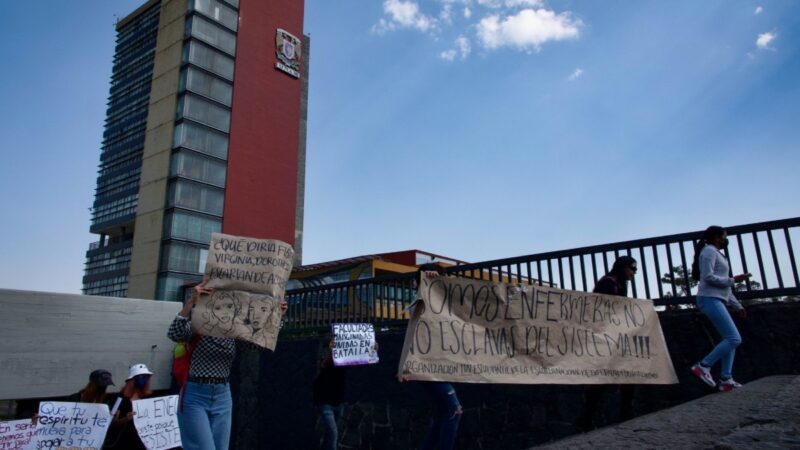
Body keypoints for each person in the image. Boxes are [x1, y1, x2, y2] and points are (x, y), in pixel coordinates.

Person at [168, 279, 288, 450]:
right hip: (195, 395)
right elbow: (174, 332)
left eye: (229, 307)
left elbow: (258, 343)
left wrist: (278, 317)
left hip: (223, 395)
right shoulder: (198, 325)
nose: (224, 312)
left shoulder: (234, 332)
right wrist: (191, 301)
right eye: (218, 307)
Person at [404, 263, 462, 450]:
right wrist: (428, 283)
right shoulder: (420, 301)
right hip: (427, 366)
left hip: (437, 364)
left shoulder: (442, 303)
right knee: (454, 410)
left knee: (443, 414)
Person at [578, 256, 638, 429]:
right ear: (622, 267)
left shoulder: (619, 284)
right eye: (631, 268)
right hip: (605, 337)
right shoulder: (608, 283)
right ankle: (588, 417)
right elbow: (604, 309)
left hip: (614, 336)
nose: (634, 272)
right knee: (607, 376)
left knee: (623, 373)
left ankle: (593, 416)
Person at [690, 226, 751, 392]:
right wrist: (734, 279)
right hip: (709, 299)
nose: (726, 239)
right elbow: (708, 278)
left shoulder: (717, 254)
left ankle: (726, 379)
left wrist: (737, 305)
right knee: (734, 338)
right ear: (717, 237)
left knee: (729, 339)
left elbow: (725, 286)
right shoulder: (708, 251)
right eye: (724, 236)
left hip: (717, 299)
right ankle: (703, 366)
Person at [312, 337, 379, 449]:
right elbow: (325, 364)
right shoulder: (326, 358)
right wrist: (331, 350)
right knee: (333, 433)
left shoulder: (344, 361)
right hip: (325, 402)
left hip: (338, 402)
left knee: (330, 434)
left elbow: (359, 360)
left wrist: (373, 350)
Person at [104, 364, 154, 450]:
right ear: (132, 380)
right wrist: (126, 419)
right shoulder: (121, 398)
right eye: (141, 377)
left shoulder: (146, 396)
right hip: (125, 440)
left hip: (142, 439)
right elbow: (113, 423)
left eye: (146, 377)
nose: (144, 380)